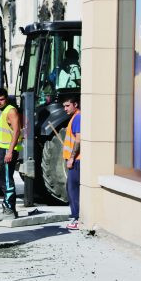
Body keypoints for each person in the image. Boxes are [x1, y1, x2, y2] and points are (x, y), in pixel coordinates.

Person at [0, 88, 23, 221]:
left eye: (1, 99)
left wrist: (10, 151)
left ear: (6, 98)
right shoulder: (3, 111)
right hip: (2, 149)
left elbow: (17, 131)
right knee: (3, 181)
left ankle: (9, 211)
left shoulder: (11, 110)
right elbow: (7, 130)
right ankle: (8, 208)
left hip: (7, 150)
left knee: (7, 181)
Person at [63, 96, 81, 230]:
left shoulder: (78, 118)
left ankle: (76, 218)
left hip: (76, 160)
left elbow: (78, 139)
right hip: (75, 159)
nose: (65, 109)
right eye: (64, 106)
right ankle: (75, 215)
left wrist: (71, 158)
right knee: (71, 189)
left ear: (75, 104)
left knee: (73, 189)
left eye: (67, 105)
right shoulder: (74, 118)